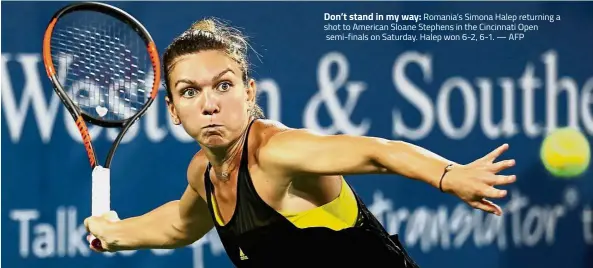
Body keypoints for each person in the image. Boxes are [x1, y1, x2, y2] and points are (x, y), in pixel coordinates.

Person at [84, 18, 517, 267]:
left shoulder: (277, 152)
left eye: (223, 86)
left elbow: (377, 152)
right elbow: (181, 223)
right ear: (174, 110)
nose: (210, 104)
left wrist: (449, 175)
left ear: (249, 93)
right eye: (190, 92)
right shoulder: (204, 173)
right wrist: (118, 234)